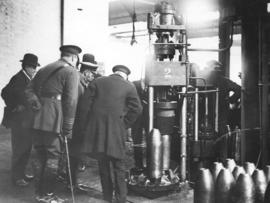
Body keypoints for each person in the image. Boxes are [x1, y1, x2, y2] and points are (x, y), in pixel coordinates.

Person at [25, 45, 81, 203]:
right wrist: (68, 127)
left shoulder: (45, 68)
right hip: (55, 119)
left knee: (40, 154)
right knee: (53, 156)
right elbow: (71, 101)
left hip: (37, 118)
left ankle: (38, 193)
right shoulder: (71, 71)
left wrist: (35, 101)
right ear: (73, 58)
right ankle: (47, 194)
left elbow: (28, 90)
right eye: (76, 60)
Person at [81, 65, 142, 203]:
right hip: (116, 132)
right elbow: (137, 109)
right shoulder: (129, 86)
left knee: (103, 165)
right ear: (125, 75)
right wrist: (124, 124)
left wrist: (88, 127)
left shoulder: (97, 82)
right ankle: (121, 199)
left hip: (98, 132)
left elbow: (84, 106)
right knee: (119, 166)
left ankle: (107, 197)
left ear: (114, 73)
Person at [1, 53, 39, 186]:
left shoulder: (27, 78)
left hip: (26, 121)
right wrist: (14, 106)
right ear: (26, 66)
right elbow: (4, 92)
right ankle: (16, 178)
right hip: (18, 121)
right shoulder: (18, 78)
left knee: (26, 147)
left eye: (35, 67)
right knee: (19, 148)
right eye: (33, 67)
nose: (35, 70)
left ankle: (21, 173)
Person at [68, 53, 97, 191]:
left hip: (79, 124)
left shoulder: (83, 83)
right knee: (73, 154)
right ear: (86, 72)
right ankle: (71, 183)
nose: (93, 76)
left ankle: (72, 181)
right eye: (92, 73)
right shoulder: (78, 84)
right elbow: (74, 105)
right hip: (75, 125)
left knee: (76, 154)